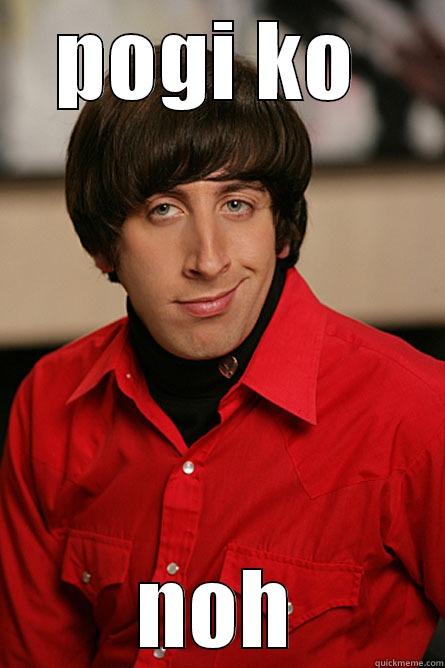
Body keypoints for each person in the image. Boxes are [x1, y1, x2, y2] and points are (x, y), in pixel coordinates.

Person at [0, 48, 444, 668]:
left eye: (237, 204)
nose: (208, 259)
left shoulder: (418, 411)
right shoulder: (50, 403)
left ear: (280, 229)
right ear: (105, 248)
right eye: (163, 210)